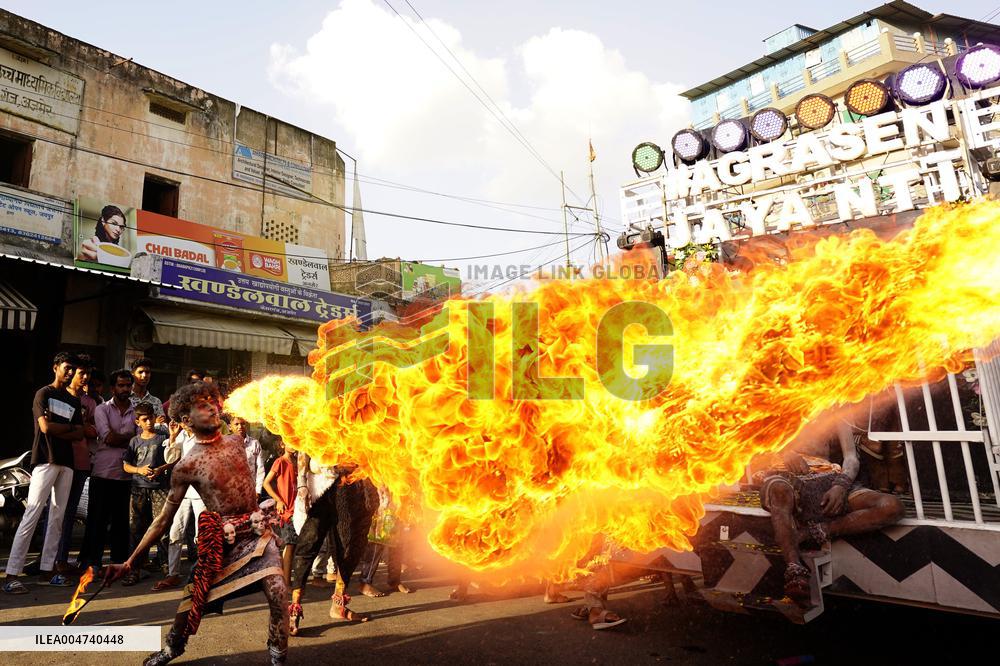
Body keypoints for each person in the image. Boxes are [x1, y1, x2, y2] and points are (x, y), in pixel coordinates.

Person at [104, 381, 289, 666]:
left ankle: (278, 657)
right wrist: (130, 562)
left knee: (278, 592)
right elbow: (163, 520)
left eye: (212, 402)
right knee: (191, 604)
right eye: (202, 405)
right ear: (186, 420)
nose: (212, 408)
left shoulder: (237, 442)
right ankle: (172, 648)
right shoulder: (186, 466)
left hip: (257, 534)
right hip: (222, 543)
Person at [756, 423, 905, 606]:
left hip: (829, 477)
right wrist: (784, 453)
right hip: (784, 476)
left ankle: (817, 531)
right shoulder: (776, 409)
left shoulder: (832, 411)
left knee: (892, 506)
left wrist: (840, 486)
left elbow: (851, 458)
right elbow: (750, 447)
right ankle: (795, 571)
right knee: (779, 491)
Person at [2, 352, 87, 593]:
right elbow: (45, 427)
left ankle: (47, 571)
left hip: (67, 463)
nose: (70, 372)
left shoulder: (73, 401)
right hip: (45, 460)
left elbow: (80, 433)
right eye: (67, 367)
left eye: (73, 369)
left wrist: (60, 427)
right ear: (55, 367)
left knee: (57, 518)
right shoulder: (43, 393)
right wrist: (66, 428)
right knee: (32, 513)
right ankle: (11, 575)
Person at [286, 453, 377, 635]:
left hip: (350, 487)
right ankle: (294, 609)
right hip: (320, 489)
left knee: (348, 549)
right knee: (307, 545)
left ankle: (338, 605)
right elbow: (303, 450)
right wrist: (302, 484)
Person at [81, 369, 137, 572]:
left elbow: (139, 441)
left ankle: (118, 563)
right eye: (121, 385)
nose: (125, 389)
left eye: (128, 385)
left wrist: (129, 440)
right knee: (97, 520)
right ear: (113, 388)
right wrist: (131, 439)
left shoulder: (136, 411)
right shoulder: (101, 409)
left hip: (126, 475)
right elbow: (108, 437)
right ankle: (92, 563)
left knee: (121, 522)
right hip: (103, 473)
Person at [123, 403, 177, 588]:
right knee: (136, 529)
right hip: (138, 488)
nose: (148, 422)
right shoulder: (134, 441)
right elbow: (126, 465)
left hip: (160, 489)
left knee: (162, 528)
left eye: (151, 418)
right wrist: (139, 470)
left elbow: (174, 458)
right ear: (137, 422)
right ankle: (134, 569)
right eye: (144, 419)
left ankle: (167, 567)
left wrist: (161, 468)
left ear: (155, 417)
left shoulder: (164, 437)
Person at [55, 356, 97, 575]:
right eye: (82, 373)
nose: (85, 377)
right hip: (58, 458)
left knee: (70, 512)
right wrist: (80, 428)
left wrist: (82, 428)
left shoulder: (90, 402)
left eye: (87, 373)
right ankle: (49, 560)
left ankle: (61, 559)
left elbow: (94, 431)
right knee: (54, 511)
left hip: (81, 462)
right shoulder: (58, 396)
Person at [359, 486, 412, 597]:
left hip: (399, 501)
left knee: (398, 544)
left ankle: (394, 580)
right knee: (377, 543)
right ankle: (365, 582)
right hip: (383, 502)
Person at [262, 439, 297, 584]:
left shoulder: (296, 462)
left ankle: (287, 579)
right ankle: (286, 582)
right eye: (290, 442)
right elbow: (266, 483)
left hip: (297, 509)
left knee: (293, 545)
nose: (294, 445)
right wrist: (278, 500)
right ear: (282, 445)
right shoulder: (280, 462)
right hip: (287, 510)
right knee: (290, 544)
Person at [232, 416, 265, 496]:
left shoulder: (254, 443)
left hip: (250, 490)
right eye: (236, 424)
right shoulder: (226, 444)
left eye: (242, 424)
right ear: (230, 426)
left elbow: (260, 468)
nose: (240, 427)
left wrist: (258, 491)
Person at [130, 357, 165, 422]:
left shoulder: (156, 402)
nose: (144, 375)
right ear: (133, 373)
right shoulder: (125, 398)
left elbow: (162, 425)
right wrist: (154, 421)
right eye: (140, 372)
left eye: (147, 372)